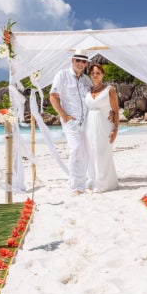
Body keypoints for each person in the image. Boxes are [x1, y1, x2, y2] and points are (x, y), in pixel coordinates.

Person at [50, 49, 94, 195]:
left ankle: (82, 182)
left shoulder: (86, 79)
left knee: (86, 153)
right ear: (72, 60)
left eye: (84, 61)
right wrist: (64, 116)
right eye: (78, 60)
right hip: (71, 122)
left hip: (86, 122)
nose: (81, 63)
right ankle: (76, 186)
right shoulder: (62, 75)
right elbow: (53, 96)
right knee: (75, 150)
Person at [85, 62, 120, 192]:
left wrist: (115, 129)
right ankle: (95, 180)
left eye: (98, 73)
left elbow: (116, 111)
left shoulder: (109, 90)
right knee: (92, 153)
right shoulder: (88, 90)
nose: (95, 75)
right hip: (89, 126)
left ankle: (104, 184)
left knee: (102, 152)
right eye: (93, 73)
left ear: (102, 75)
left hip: (104, 126)